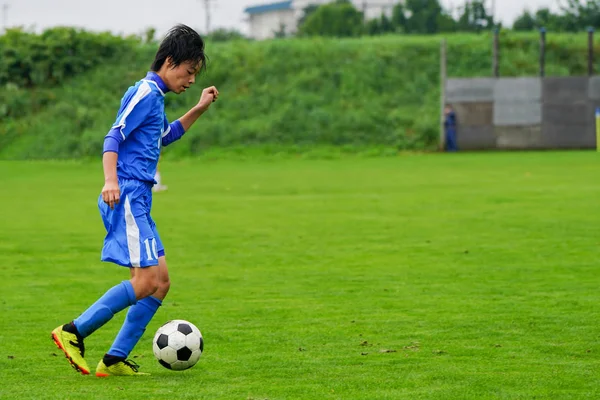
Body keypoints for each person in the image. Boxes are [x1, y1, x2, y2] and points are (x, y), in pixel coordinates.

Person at [51, 24, 219, 377]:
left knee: (161, 282)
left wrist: (199, 108)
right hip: (126, 195)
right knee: (145, 282)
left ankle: (113, 359)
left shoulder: (156, 99)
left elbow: (165, 136)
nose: (190, 81)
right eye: (188, 72)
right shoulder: (145, 92)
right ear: (170, 62)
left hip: (139, 198)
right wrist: (110, 180)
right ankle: (72, 332)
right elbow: (114, 136)